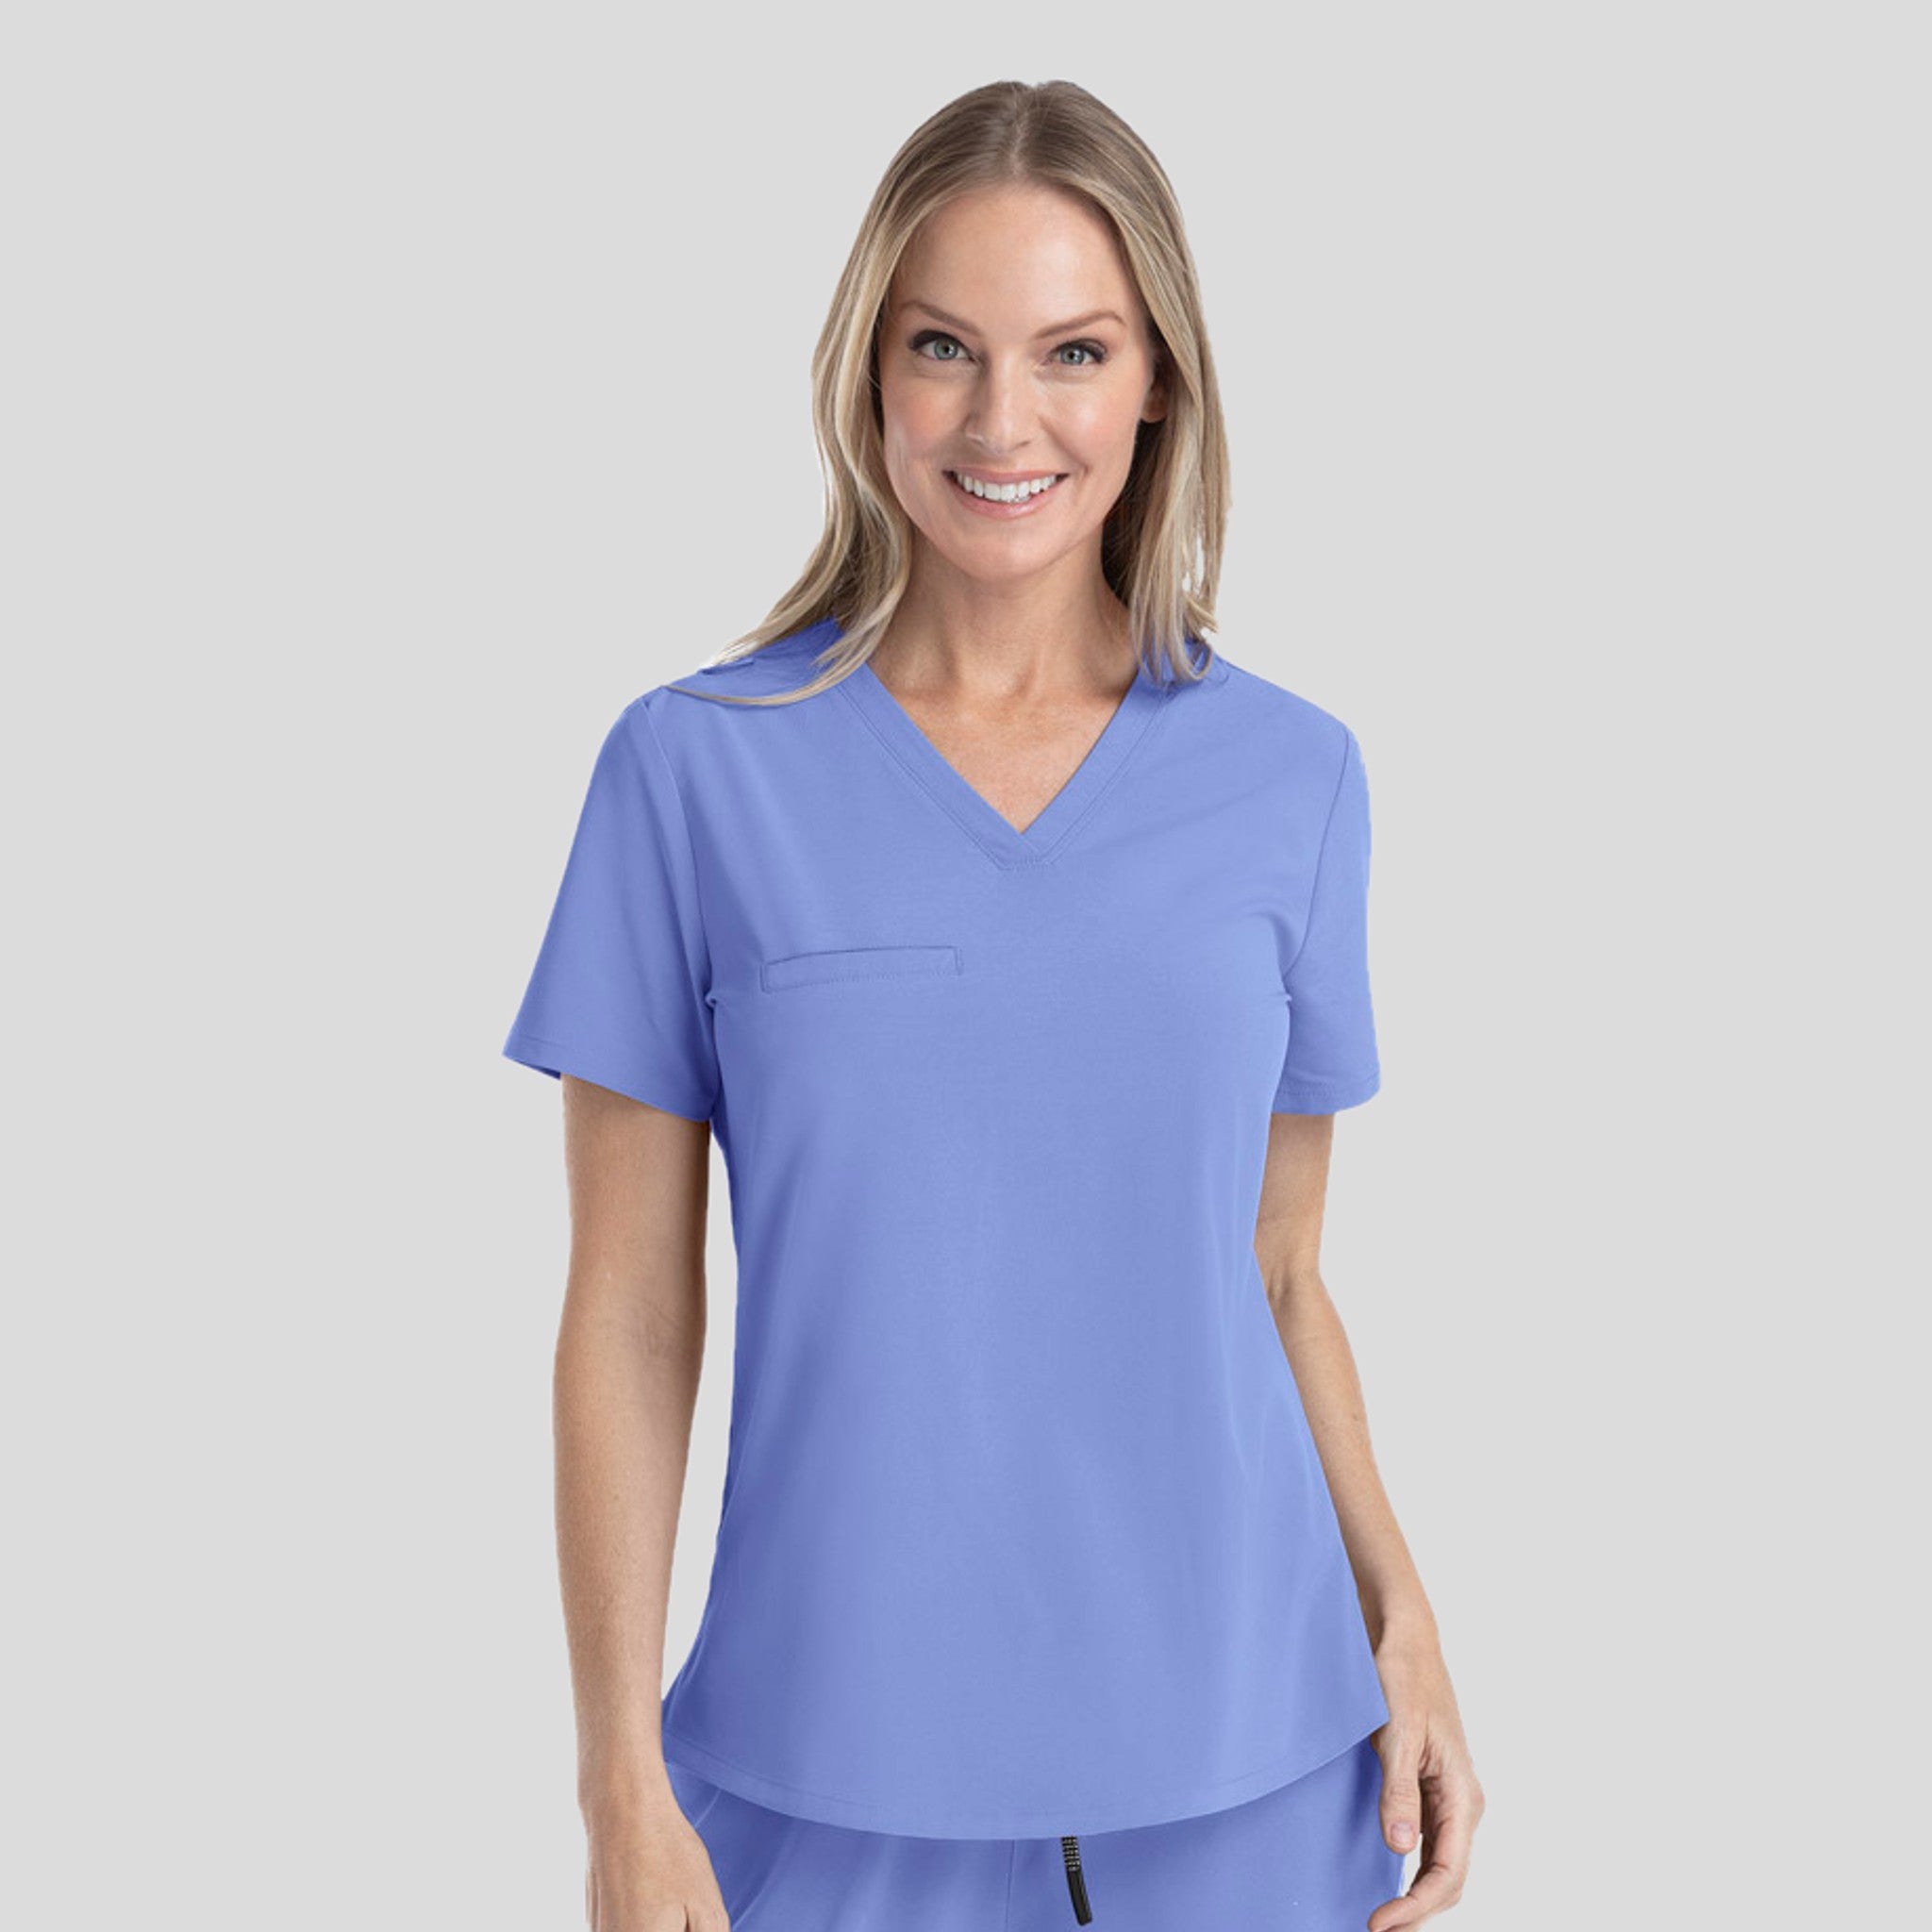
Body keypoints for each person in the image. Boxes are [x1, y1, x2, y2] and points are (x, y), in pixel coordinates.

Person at [503, 77, 1483, 1932]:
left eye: (1073, 352)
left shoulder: (1293, 778)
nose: (1000, 420)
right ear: (867, 372)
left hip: (1262, 1771)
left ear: (1157, 384)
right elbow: (627, 1308)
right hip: (817, 1784)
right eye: (941, 346)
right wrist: (617, 1779)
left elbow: (1279, 1271)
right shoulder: (695, 774)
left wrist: (1404, 1618)